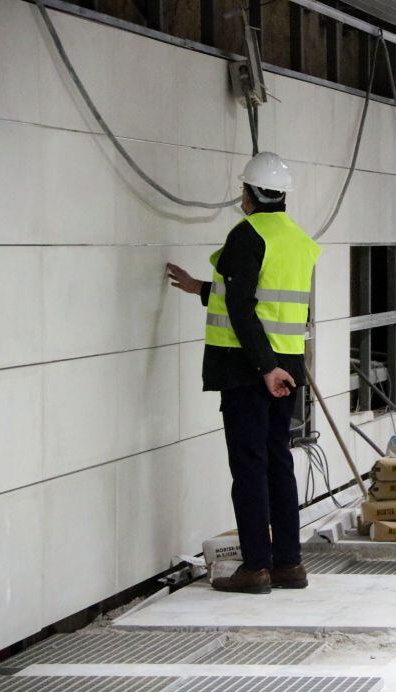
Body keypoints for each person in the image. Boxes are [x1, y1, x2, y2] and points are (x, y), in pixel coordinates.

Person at [166, 151, 321, 593]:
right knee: (277, 461)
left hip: (250, 369)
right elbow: (265, 298)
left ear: (249, 193)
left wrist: (264, 367)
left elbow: (242, 305)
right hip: (286, 365)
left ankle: (256, 567)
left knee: (249, 466)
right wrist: (201, 288)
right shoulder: (296, 239)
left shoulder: (247, 234)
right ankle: (289, 564)